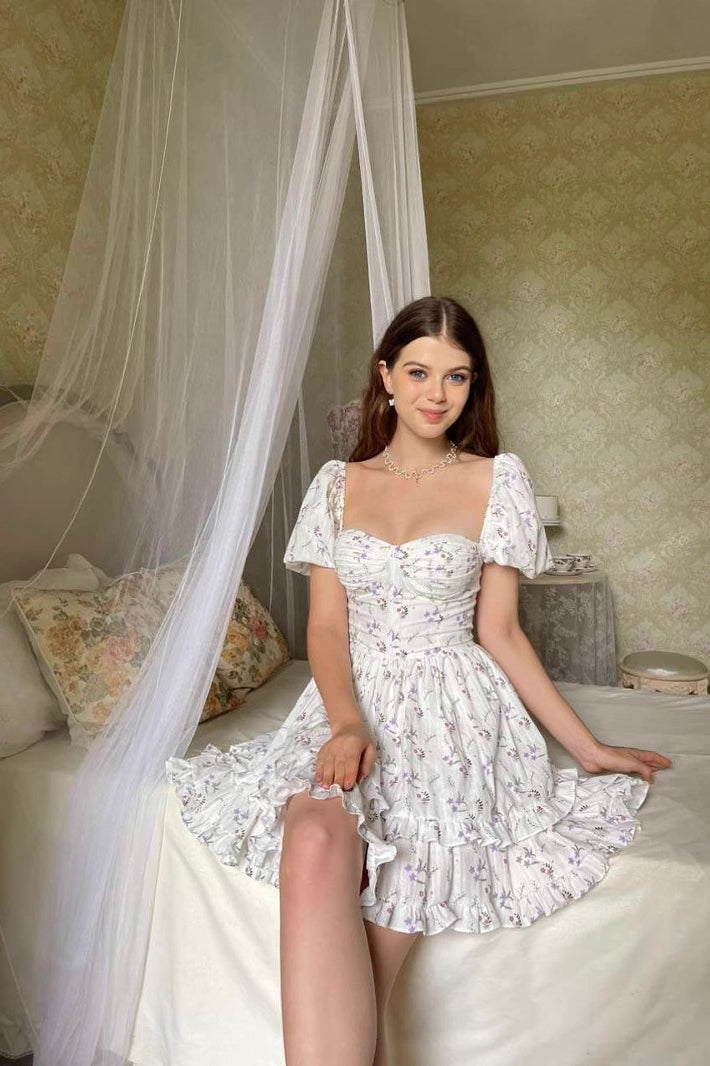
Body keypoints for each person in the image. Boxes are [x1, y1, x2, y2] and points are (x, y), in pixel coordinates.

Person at [168, 296, 672, 1066]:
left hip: (453, 710)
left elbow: (500, 633)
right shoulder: (336, 485)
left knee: (401, 887)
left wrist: (588, 748)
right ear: (386, 377)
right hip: (350, 698)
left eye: (457, 377)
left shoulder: (497, 481)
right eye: (418, 372)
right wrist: (346, 722)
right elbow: (326, 629)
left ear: (474, 387)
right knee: (313, 834)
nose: (437, 394)